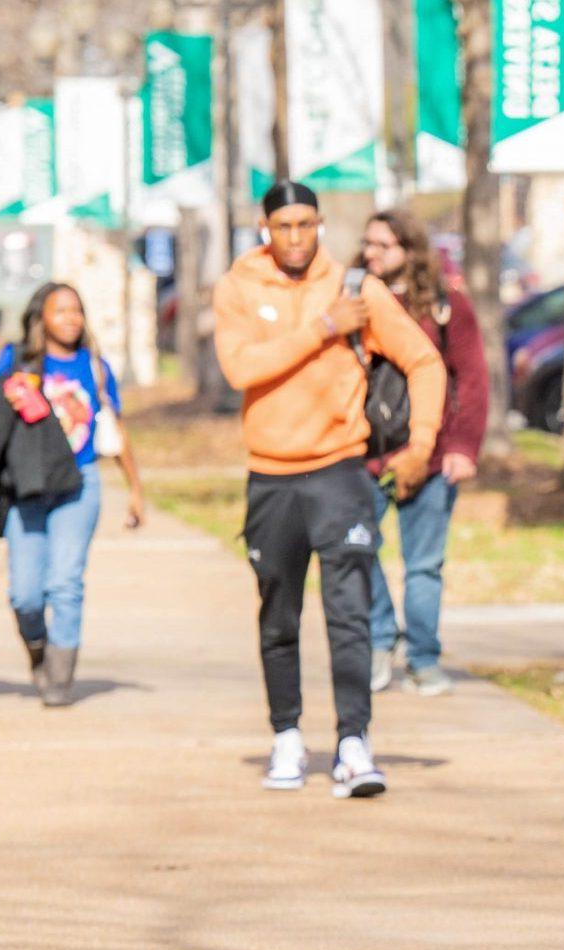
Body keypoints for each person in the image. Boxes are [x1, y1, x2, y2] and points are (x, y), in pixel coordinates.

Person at [212, 182, 447, 798]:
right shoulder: (238, 288)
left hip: (340, 471)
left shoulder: (354, 288)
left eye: (307, 224)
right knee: (278, 614)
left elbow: (424, 361)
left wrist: (421, 443)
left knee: (350, 614)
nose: (297, 237)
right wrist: (321, 329)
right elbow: (242, 368)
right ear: (265, 228)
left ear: (320, 225)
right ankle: (286, 737)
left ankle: (353, 745)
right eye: (284, 226)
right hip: (271, 474)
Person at [0, 282, 148, 707]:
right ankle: (38, 648)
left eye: (77, 310)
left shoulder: (93, 367)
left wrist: (135, 489)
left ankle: (59, 676)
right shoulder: (17, 360)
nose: (71, 319)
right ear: (41, 317)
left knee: (66, 582)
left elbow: (115, 428)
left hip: (80, 482)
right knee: (25, 592)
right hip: (28, 485)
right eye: (60, 311)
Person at [355, 210, 488, 696]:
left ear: (409, 250)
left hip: (431, 458)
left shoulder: (445, 305)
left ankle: (423, 658)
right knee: (357, 550)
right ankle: (379, 640)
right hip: (365, 454)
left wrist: (462, 447)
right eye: (368, 244)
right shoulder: (355, 299)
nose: (371, 253)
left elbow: (472, 378)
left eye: (383, 245)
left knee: (424, 564)